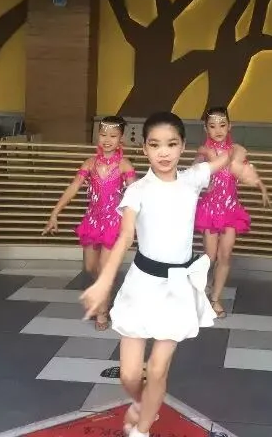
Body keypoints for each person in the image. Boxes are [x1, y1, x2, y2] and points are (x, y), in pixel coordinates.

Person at [80, 111, 248, 437]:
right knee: (130, 376)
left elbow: (227, 156)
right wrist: (103, 282)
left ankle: (142, 429)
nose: (164, 152)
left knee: (157, 369)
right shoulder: (137, 190)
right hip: (142, 285)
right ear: (144, 148)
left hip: (178, 287)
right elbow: (125, 238)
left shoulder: (193, 178)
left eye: (171, 144)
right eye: (155, 144)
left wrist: (238, 153)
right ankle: (143, 403)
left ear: (183, 146)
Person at [43, 116, 136, 331]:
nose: (107, 140)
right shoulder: (90, 163)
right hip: (92, 221)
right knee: (90, 268)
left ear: (121, 138)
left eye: (113, 136)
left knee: (104, 268)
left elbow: (136, 194)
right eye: (103, 135)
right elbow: (74, 187)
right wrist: (55, 213)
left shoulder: (124, 165)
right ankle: (104, 292)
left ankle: (102, 311)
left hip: (114, 223)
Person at [194, 107, 271, 318]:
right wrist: (203, 180)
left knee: (225, 255)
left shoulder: (236, 151)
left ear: (230, 126)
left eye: (222, 125)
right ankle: (198, 290)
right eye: (212, 126)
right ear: (206, 128)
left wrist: (261, 186)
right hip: (210, 210)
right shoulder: (203, 151)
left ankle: (215, 298)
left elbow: (247, 172)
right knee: (210, 256)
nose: (218, 130)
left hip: (230, 209)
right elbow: (194, 175)